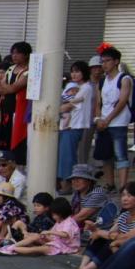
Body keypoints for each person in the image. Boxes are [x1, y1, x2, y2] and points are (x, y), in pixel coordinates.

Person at [60, 181, 135, 269]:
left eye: (129, 195)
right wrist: (95, 230)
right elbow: (111, 233)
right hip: (121, 253)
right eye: (123, 195)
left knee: (109, 242)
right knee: (99, 237)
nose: (124, 199)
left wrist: (103, 234)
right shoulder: (124, 216)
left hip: (131, 257)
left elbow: (127, 238)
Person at [96, 46, 132, 191]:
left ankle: (123, 187)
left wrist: (108, 119)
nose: (104, 64)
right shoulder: (102, 81)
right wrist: (98, 119)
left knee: (120, 155)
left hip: (118, 122)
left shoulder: (124, 79)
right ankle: (110, 184)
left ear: (116, 61)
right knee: (106, 156)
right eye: (102, 61)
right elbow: (98, 102)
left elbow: (122, 102)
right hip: (104, 122)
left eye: (107, 61)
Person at [0, 197, 79, 256]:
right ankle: (11, 246)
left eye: (54, 214)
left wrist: (49, 232)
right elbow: (53, 235)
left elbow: (65, 234)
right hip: (57, 242)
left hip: (64, 247)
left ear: (61, 213)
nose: (53, 217)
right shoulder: (60, 221)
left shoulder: (69, 222)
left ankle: (11, 249)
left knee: (34, 249)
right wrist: (45, 236)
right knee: (35, 236)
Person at [58, 60, 95, 193]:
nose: (74, 74)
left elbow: (68, 105)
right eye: (72, 71)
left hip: (75, 126)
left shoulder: (86, 88)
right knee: (64, 156)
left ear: (84, 72)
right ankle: (64, 183)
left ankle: (67, 185)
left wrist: (59, 107)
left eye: (77, 71)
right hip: (67, 126)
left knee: (67, 157)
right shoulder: (75, 87)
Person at [0, 41, 31, 163]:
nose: (14, 56)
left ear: (26, 55)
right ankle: (5, 163)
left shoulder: (28, 71)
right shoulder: (10, 69)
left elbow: (12, 88)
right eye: (13, 53)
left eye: (18, 53)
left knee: (17, 140)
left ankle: (17, 164)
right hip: (5, 110)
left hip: (18, 110)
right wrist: (4, 85)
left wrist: (4, 84)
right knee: (4, 141)